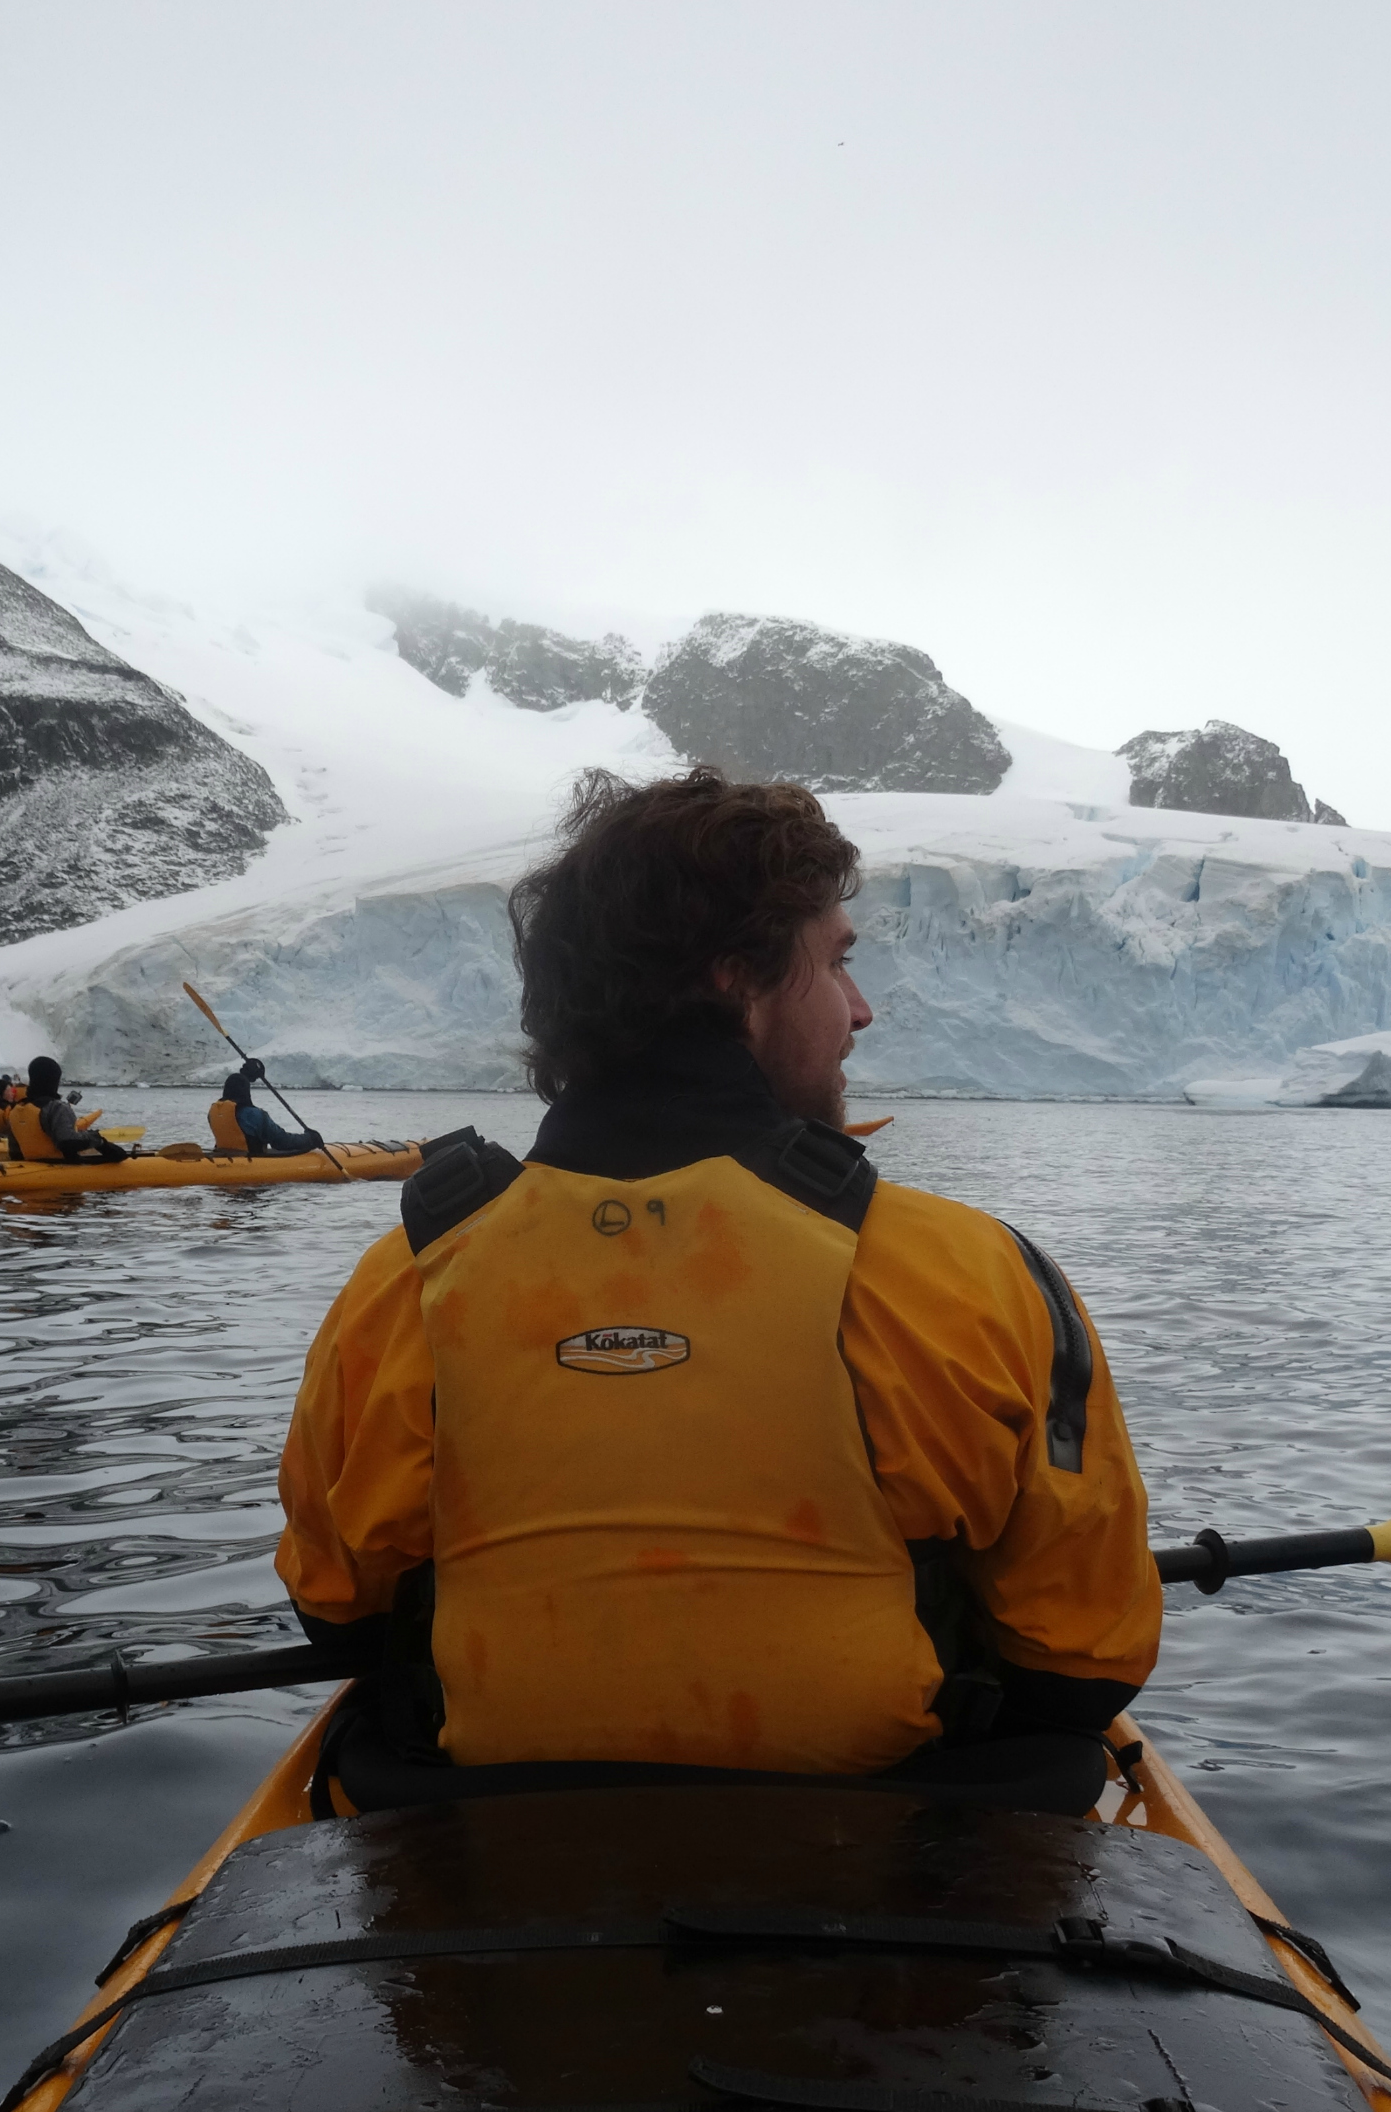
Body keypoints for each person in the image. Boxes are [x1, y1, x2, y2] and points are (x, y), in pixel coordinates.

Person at [273, 768, 1157, 1817]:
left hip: (484, 1851)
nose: (860, 1011)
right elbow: (1081, 1664)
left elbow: (338, 1621)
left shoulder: (403, 1280)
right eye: (835, 964)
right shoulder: (969, 1273)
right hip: (903, 1865)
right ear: (737, 979)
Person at [13, 1053, 129, 1163]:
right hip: (59, 1166)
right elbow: (68, 1141)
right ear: (54, 1081)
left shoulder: (17, 1109)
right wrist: (98, 1141)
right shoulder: (57, 1107)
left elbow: (14, 1151)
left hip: (29, 1165)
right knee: (107, 1147)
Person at [218, 1056, 323, 1156]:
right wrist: (310, 1138)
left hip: (226, 1156)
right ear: (246, 1091)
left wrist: (244, 1075)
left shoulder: (216, 1111)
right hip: (252, 1161)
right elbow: (282, 1142)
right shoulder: (255, 1115)